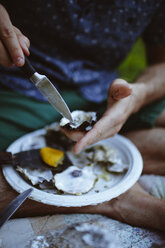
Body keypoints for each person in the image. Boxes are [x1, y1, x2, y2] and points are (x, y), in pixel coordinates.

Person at [0, 1, 165, 231]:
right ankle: (111, 199)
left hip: (107, 94)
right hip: (18, 89)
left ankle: (100, 158)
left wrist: (138, 95)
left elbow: (162, 64)